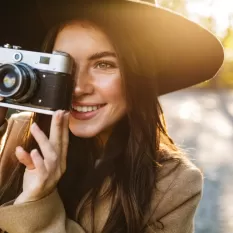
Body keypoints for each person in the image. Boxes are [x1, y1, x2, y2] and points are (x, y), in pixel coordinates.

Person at [0, 0, 224, 232]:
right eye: (64, 65)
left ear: (139, 76)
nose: (78, 88)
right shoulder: (19, 134)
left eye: (103, 64)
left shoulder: (174, 184)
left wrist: (38, 206)